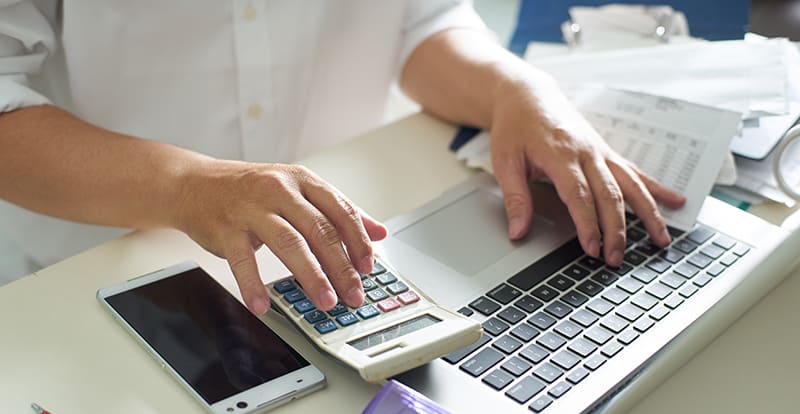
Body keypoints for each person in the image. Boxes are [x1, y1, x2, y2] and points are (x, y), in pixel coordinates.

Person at [0, 0, 685, 316]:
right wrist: (187, 186)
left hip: (343, 251)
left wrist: (516, 89)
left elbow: (418, 20)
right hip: (102, 269)